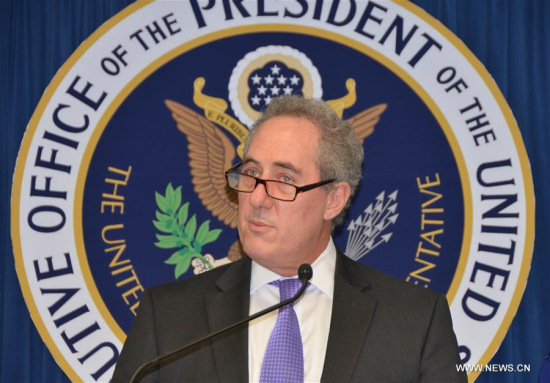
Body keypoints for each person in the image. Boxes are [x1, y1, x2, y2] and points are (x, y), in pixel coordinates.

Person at [112, 96, 467, 382]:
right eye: (251, 173)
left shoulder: (414, 322)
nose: (256, 197)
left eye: (284, 180)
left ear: (334, 199)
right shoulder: (169, 318)